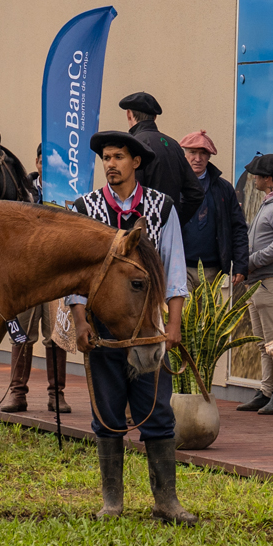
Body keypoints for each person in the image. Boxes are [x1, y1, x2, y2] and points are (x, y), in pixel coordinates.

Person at [68, 130, 196, 525]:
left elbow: (175, 269)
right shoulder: (85, 208)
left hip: (147, 330)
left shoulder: (162, 207)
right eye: (106, 157)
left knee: (157, 413)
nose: (110, 164)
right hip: (103, 332)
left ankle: (167, 501)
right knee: (106, 414)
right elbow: (75, 276)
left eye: (118, 156)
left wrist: (173, 323)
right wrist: (79, 321)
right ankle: (112, 502)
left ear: (135, 162)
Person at [0, 164, 70, 415]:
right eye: (44, 160)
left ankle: (56, 395)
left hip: (56, 277)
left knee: (56, 336)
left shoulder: (68, 191)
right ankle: (17, 393)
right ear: (39, 162)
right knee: (20, 334)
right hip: (26, 277)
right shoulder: (22, 191)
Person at [238, 153, 273, 416]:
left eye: (257, 175)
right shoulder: (271, 202)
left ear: (269, 179)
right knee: (264, 343)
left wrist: (251, 262)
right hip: (260, 282)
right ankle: (266, 390)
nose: (253, 178)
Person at [118, 90, 201, 228]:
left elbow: (125, 196)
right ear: (155, 117)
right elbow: (196, 193)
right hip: (168, 234)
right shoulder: (174, 146)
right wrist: (174, 221)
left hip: (137, 236)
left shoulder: (130, 146)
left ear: (129, 114)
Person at [176, 131, 248, 291]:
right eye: (192, 152)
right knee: (180, 316)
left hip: (212, 270)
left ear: (209, 156)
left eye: (203, 153)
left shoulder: (223, 188)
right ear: (184, 154)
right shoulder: (173, 185)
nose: (198, 158)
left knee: (206, 316)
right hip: (179, 267)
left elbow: (238, 228)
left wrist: (240, 265)